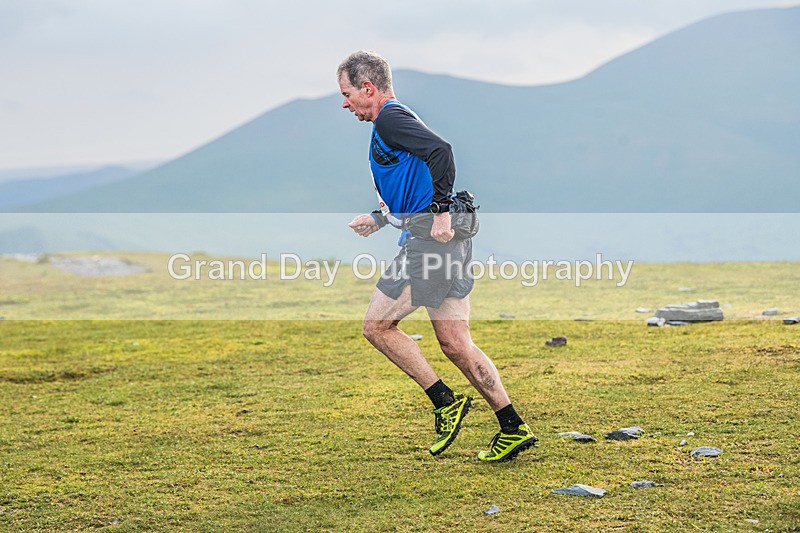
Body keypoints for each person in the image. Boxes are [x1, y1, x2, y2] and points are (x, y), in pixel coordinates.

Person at [337, 50, 536, 461]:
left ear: (367, 88)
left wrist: (441, 213)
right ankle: (512, 427)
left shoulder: (389, 119)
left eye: (347, 94)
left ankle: (445, 402)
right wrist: (380, 217)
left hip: (431, 241)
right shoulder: (395, 120)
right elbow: (415, 179)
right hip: (449, 241)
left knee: (377, 327)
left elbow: (441, 151)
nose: (345, 103)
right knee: (456, 343)